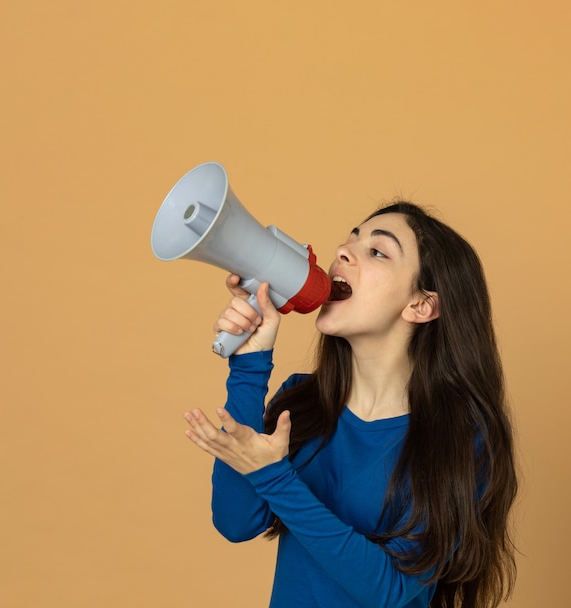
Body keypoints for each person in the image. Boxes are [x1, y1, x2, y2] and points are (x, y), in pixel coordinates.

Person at [183, 202, 517, 608]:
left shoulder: (463, 436)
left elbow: (390, 591)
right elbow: (236, 523)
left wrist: (274, 476)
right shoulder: (301, 403)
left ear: (421, 305)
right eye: (352, 237)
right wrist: (249, 368)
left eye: (378, 251)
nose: (343, 251)